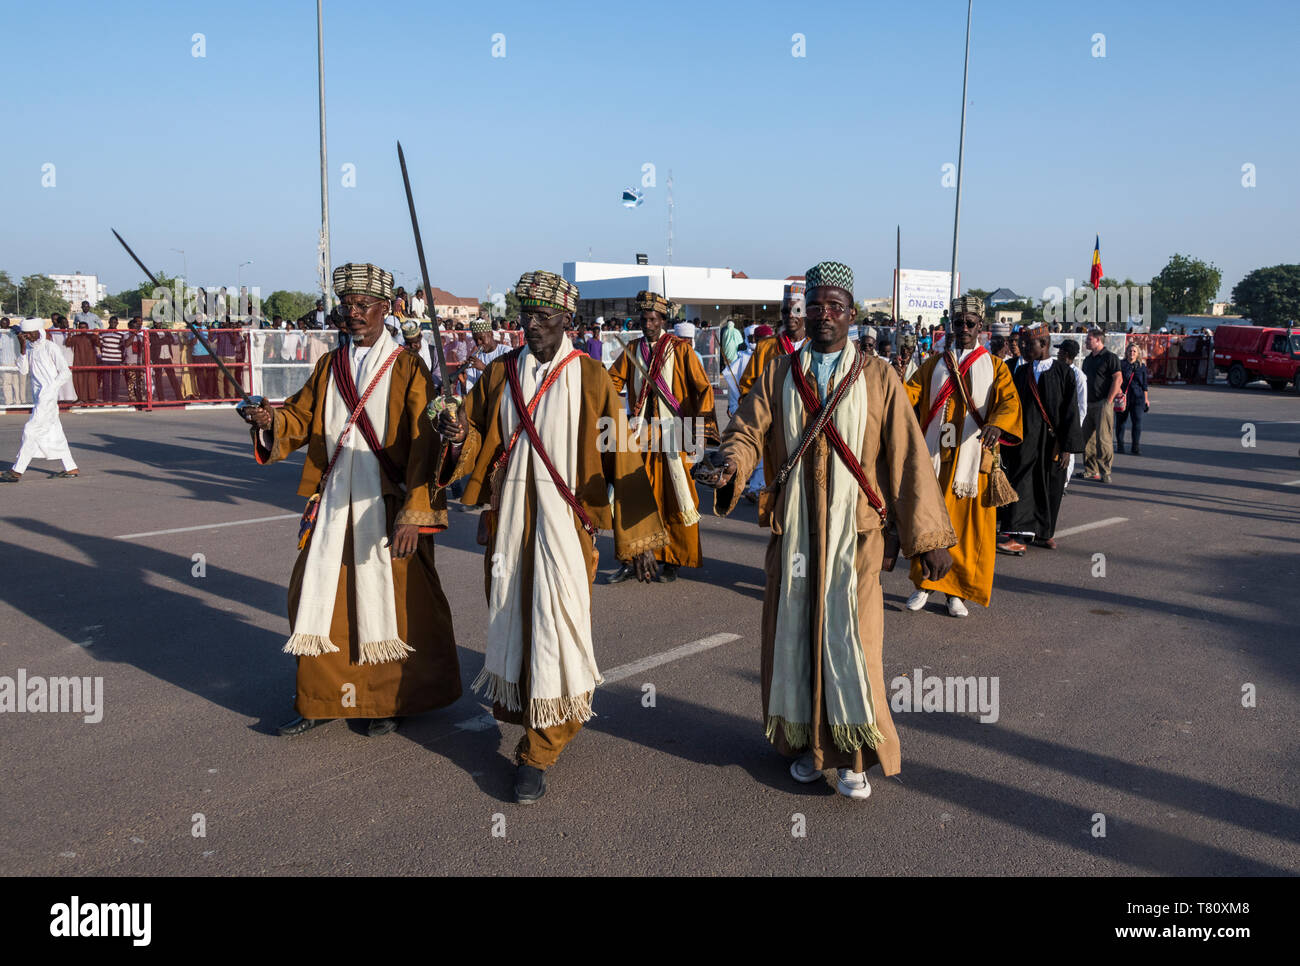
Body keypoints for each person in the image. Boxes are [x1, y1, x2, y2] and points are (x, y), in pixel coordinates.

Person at [698, 261, 956, 801]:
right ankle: (809, 748)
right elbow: (747, 429)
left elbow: (909, 457)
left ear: (853, 315)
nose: (823, 316)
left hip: (857, 539)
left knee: (853, 645)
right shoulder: (778, 373)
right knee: (795, 639)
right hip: (793, 535)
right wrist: (729, 463)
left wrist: (930, 538)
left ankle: (854, 756)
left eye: (834, 307)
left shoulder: (881, 376)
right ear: (802, 312)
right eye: (813, 307)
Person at [433, 269, 667, 803]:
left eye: (543, 316)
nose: (532, 325)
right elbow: (467, 437)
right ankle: (528, 719)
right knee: (512, 620)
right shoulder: (498, 374)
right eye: (525, 315)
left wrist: (638, 539)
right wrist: (453, 431)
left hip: (567, 526)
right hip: (509, 526)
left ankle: (542, 748)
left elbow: (621, 451)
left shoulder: (591, 377)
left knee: (559, 627)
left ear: (567, 320)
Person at [238, 262, 462, 738]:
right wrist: (266, 421)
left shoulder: (407, 367)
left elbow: (426, 448)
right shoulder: (329, 365)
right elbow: (296, 421)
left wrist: (414, 515)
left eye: (364, 305)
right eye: (347, 305)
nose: (353, 313)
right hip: (334, 499)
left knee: (394, 600)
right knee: (318, 598)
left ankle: (384, 700)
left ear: (386, 309)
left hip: (388, 504)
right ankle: (319, 699)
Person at [904, 295, 1021, 616]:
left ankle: (958, 593)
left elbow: (1010, 402)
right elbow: (908, 393)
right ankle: (924, 585)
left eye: (971, 324)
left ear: (980, 327)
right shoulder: (932, 364)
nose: (965, 328)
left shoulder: (995, 366)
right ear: (951, 326)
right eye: (959, 323)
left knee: (968, 530)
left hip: (974, 462)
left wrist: (997, 424)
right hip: (934, 458)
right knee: (929, 520)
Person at [607, 291, 717, 583]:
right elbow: (610, 381)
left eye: (653, 319)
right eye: (644, 319)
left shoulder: (680, 350)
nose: (648, 324)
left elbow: (703, 388)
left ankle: (671, 559)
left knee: (673, 498)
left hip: (673, 434)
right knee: (630, 496)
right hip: (640, 435)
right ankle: (631, 559)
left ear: (663, 320)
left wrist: (702, 429)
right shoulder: (632, 349)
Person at [996, 323, 1085, 552]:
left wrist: (1066, 447)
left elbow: (1070, 412)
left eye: (1028, 344)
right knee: (1022, 484)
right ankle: (1017, 537)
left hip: (1052, 443)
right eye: (1022, 344)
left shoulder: (1064, 372)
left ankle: (1044, 533)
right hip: (1025, 443)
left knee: (1051, 487)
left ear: (1044, 344)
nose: (1023, 348)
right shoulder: (1022, 372)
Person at [1, 320, 80, 482]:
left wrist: (50, 390)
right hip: (39, 398)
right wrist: (22, 348)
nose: (27, 336)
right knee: (55, 432)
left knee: (31, 430)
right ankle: (71, 467)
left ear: (38, 331)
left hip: (47, 397)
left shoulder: (50, 347)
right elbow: (23, 371)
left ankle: (17, 470)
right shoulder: (29, 348)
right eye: (25, 334)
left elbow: (65, 373)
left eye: (29, 334)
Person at [738, 282, 806, 396]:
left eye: (797, 310)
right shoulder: (765, 347)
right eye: (785, 311)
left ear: (805, 313)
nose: (790, 315)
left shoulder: (816, 346)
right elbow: (747, 386)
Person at [1080, 326, 1122, 483]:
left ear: (1098, 340)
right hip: (1088, 403)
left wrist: (1109, 401)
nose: (1086, 341)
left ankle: (1105, 471)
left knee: (1103, 439)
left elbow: (1118, 379)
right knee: (1086, 439)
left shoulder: (1110, 357)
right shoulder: (1088, 359)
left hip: (1103, 403)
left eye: (1089, 339)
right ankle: (1091, 470)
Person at [1055, 338, 1087, 488]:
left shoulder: (1078, 375)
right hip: (1056, 419)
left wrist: (1076, 425)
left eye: (1060, 351)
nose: (1057, 353)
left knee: (1069, 452)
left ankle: (1064, 484)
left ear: (1065, 354)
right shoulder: (1055, 371)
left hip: (1071, 420)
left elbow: (1082, 404)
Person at [1114, 341, 1150, 456]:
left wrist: (1146, 399)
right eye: (1130, 351)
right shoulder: (1121, 364)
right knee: (1121, 422)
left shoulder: (1141, 366)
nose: (1132, 353)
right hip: (1123, 397)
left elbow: (1144, 385)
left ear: (1138, 353)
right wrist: (1118, 392)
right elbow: (1116, 380)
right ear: (1126, 352)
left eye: (1134, 351)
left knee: (1137, 422)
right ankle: (1120, 445)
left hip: (1137, 398)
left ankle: (1135, 446)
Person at [66, 321, 99, 403]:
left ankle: (92, 398)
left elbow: (98, 344)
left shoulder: (91, 336)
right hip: (79, 360)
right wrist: (69, 334)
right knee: (79, 379)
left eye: (84, 327)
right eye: (81, 327)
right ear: (79, 328)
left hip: (90, 360)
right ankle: (81, 397)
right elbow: (68, 344)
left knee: (91, 379)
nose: (83, 329)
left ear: (87, 328)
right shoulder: (76, 337)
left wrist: (96, 335)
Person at [97, 317, 127, 403]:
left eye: (115, 322)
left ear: (117, 323)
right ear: (109, 322)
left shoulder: (121, 334)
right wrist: (105, 354)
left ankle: (115, 399)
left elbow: (123, 347)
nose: (113, 323)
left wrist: (121, 356)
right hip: (106, 359)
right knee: (106, 381)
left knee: (116, 381)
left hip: (116, 359)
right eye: (112, 322)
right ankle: (106, 399)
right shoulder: (103, 333)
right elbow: (101, 346)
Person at [0, 318, 20, 406]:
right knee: (6, 383)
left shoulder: (13, 332)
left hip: (15, 361)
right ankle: (9, 402)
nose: (4, 325)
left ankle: (17, 401)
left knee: (16, 383)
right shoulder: (0, 334)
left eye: (6, 323)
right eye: (3, 323)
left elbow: (19, 331)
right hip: (4, 361)